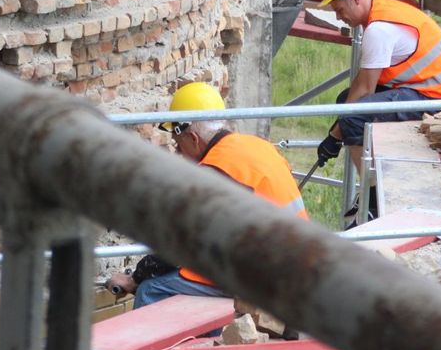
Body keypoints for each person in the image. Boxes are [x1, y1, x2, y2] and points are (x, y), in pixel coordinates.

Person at [106, 82, 308, 308]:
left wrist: (135, 278)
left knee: (151, 290)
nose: (178, 153)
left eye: (178, 145)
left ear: (193, 139)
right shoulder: (258, 146)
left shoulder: (212, 172)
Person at [314, 0, 441, 175]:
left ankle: (371, 189)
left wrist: (334, 137)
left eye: (339, 10)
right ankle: (373, 167)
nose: (339, 17)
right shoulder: (381, 7)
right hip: (433, 84)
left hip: (438, 97)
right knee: (345, 102)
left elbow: (365, 90)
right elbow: (362, 83)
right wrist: (336, 133)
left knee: (352, 118)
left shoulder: (378, 31)